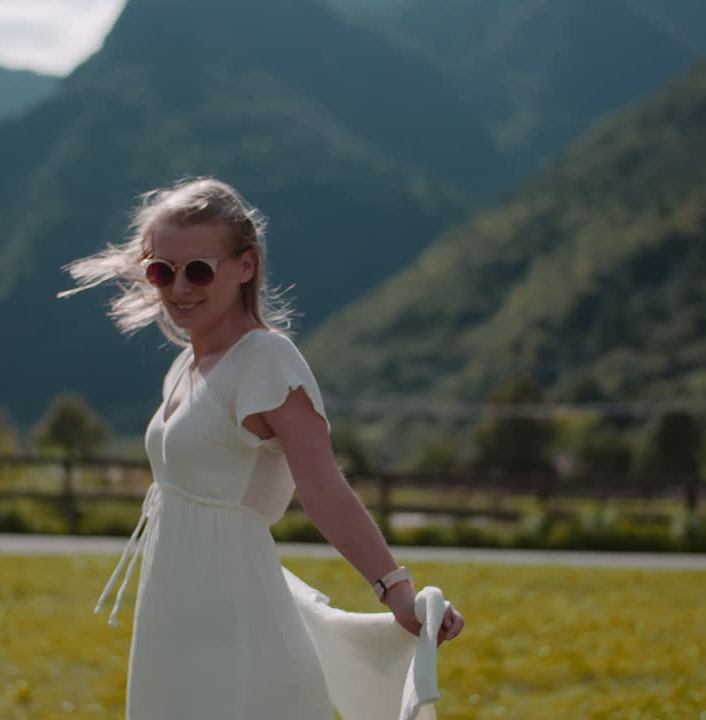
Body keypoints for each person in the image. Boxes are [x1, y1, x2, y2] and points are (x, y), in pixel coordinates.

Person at [58, 177, 465, 719]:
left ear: (245, 265)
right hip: (176, 606)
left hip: (235, 611)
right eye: (162, 270)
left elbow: (322, 487)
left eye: (198, 269)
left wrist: (395, 589)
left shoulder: (267, 361)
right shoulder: (187, 366)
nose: (179, 288)